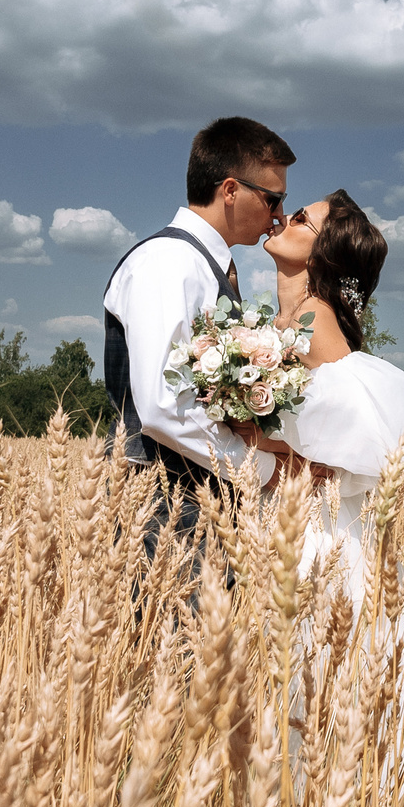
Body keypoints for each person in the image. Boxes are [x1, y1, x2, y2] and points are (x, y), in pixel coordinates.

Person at [102, 116, 294, 567]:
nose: (278, 217)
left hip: (197, 505)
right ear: (230, 190)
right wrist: (261, 470)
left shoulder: (197, 264)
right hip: (163, 507)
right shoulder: (169, 263)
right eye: (273, 199)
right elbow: (163, 407)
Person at [250, 189, 404, 614]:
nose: (283, 217)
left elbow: (349, 424)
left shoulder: (313, 317)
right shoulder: (282, 321)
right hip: (284, 508)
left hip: (314, 526)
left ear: (320, 256)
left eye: (300, 217)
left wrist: (255, 437)